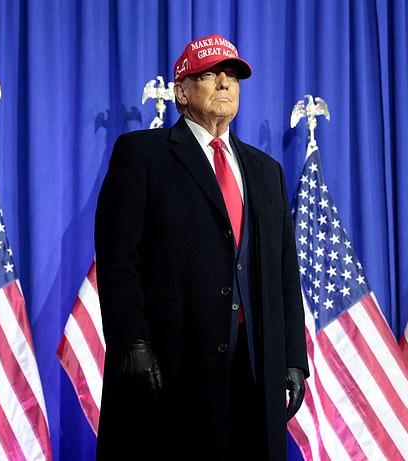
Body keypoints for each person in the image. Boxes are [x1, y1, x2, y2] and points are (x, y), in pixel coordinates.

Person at [95, 33, 308, 461]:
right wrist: (131, 341)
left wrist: (292, 357)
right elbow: (118, 259)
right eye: (210, 74)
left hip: (254, 369)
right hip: (173, 366)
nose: (225, 83)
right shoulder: (142, 155)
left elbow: (285, 270)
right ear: (181, 91)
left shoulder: (267, 172)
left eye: (232, 76)